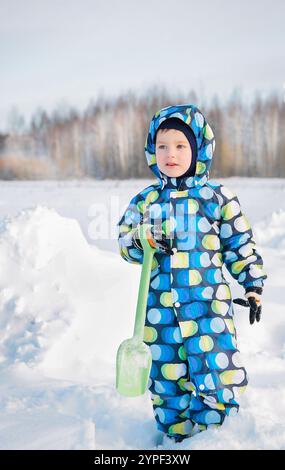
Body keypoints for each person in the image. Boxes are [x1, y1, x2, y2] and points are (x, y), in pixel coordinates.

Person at [117, 104, 267, 445]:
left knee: (217, 373)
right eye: (163, 146)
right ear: (152, 151)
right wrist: (144, 237)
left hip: (208, 309)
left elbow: (240, 244)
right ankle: (177, 441)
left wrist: (253, 284)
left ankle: (216, 438)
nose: (171, 154)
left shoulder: (217, 199)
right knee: (168, 383)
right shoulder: (146, 201)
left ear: (199, 148)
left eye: (181, 146)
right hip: (160, 314)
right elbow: (125, 240)